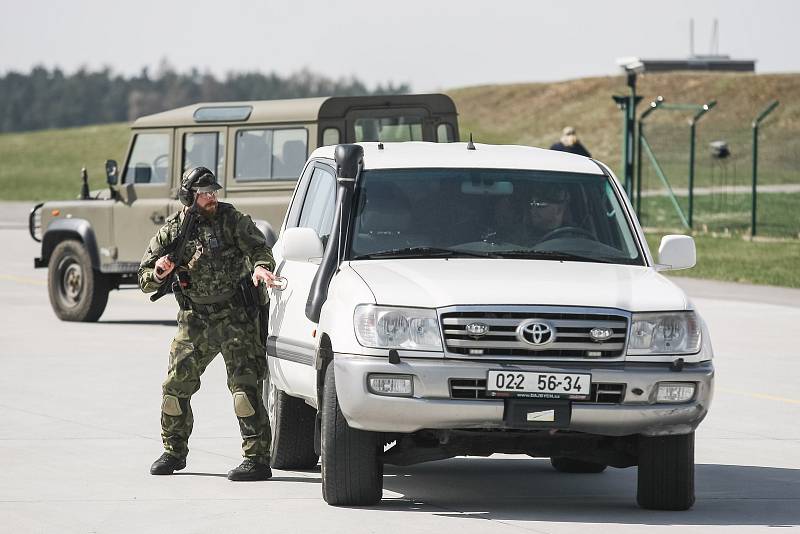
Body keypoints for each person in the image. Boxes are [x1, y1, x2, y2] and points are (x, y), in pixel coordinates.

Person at [138, 166, 277, 481]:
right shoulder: (173, 232)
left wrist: (260, 267)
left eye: (214, 192)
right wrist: (160, 271)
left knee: (245, 390)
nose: (212, 198)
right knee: (174, 389)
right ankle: (173, 451)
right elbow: (144, 279)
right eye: (204, 194)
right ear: (189, 196)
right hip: (195, 321)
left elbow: (259, 248)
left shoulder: (232, 220)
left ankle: (256, 459)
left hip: (236, 318)